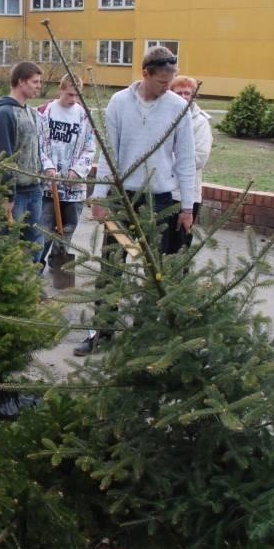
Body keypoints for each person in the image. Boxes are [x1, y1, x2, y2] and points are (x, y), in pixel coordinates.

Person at [78, 46, 195, 355]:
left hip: (160, 201)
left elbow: (185, 159)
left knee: (154, 271)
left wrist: (186, 207)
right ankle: (101, 332)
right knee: (111, 267)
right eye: (161, 82)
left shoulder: (176, 108)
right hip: (122, 197)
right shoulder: (119, 103)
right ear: (146, 73)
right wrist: (99, 197)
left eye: (170, 82)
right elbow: (109, 153)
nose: (167, 88)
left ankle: (145, 335)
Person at [0, 61, 55, 265]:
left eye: (39, 82)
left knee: (34, 239)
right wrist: (7, 194)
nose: (39, 86)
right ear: (20, 81)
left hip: (33, 188)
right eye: (35, 82)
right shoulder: (4, 114)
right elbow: (3, 157)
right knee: (9, 241)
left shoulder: (29, 111)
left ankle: (30, 285)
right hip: (15, 192)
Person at [40, 73, 96, 266]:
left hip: (74, 188)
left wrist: (77, 171)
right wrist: (48, 167)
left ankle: (58, 264)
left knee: (67, 228)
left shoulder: (84, 116)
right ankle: (36, 265)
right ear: (61, 89)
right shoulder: (44, 112)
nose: (73, 100)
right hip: (49, 185)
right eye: (69, 94)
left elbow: (90, 147)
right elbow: (39, 144)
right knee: (44, 228)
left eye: (77, 96)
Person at [168, 74, 213, 252]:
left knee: (179, 245)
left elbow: (199, 158)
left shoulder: (200, 122)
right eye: (179, 93)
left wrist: (165, 160)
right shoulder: (164, 117)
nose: (184, 97)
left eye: (188, 93)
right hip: (162, 191)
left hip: (185, 194)